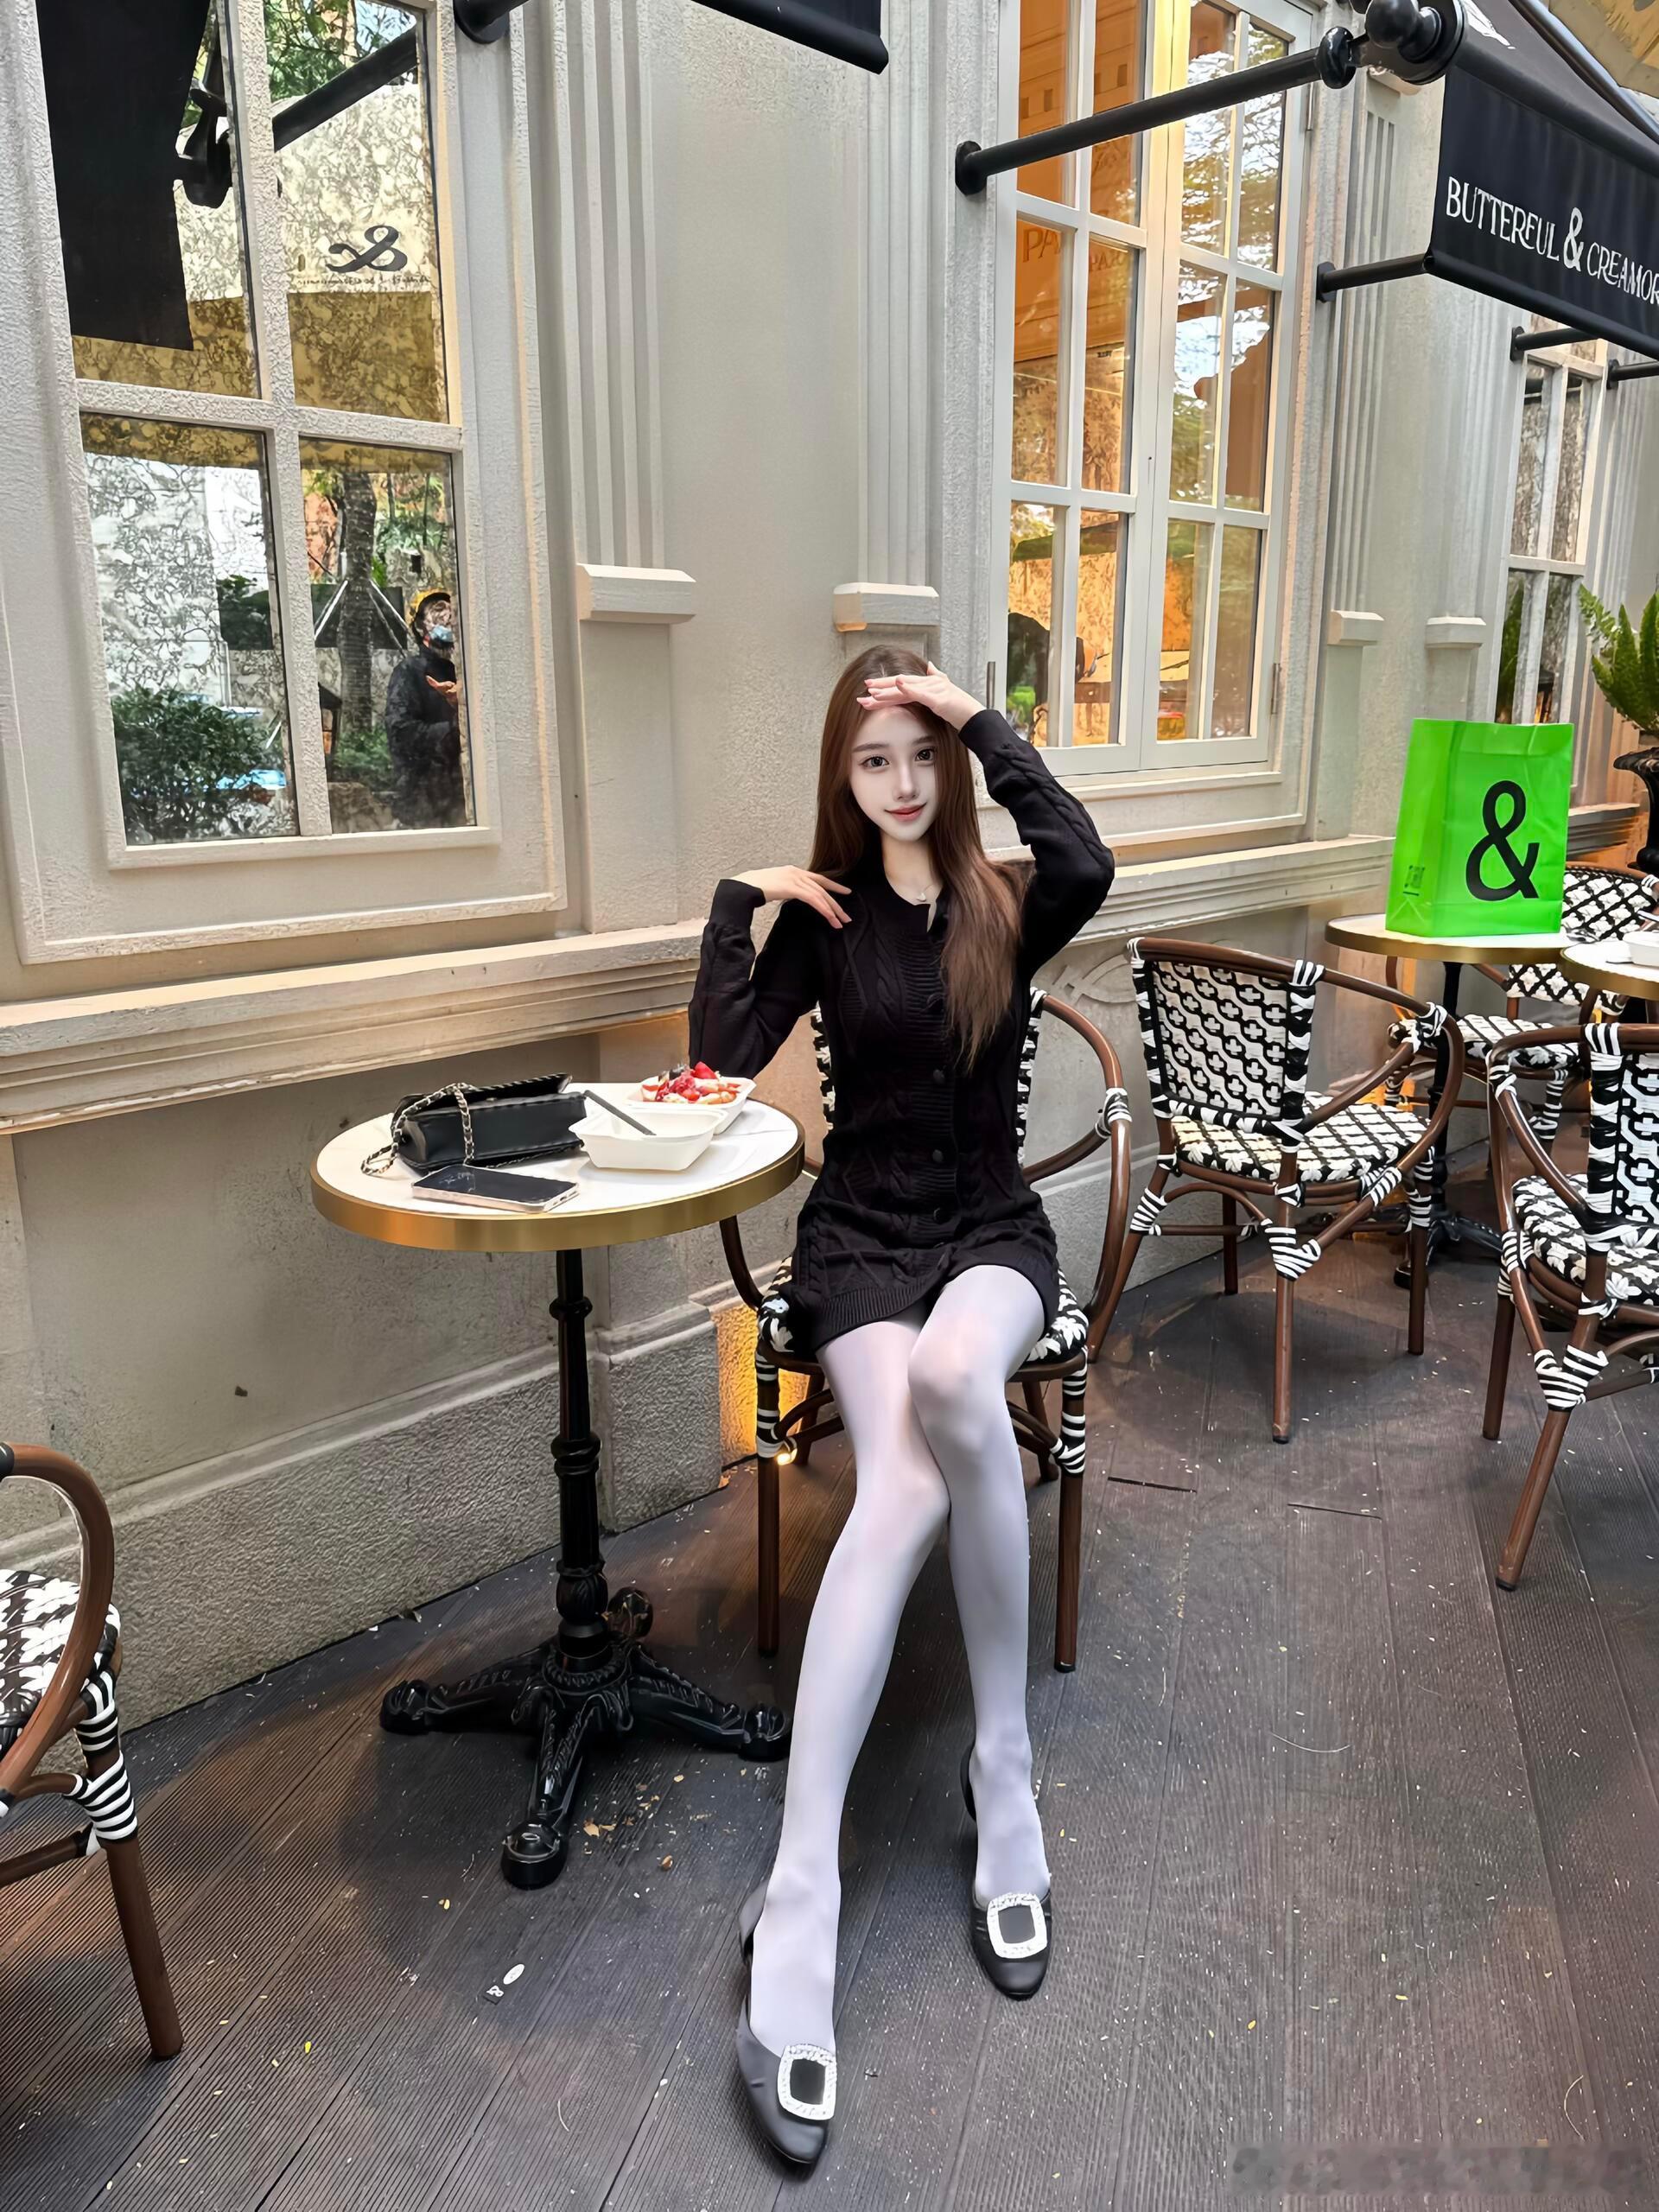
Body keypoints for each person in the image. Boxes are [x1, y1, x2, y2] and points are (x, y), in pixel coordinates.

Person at [688, 645, 1114, 2166]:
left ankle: (1002, 1768)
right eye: (875, 759)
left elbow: (1087, 855)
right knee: (908, 1480)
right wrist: (741, 905)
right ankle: (807, 1882)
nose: (905, 782)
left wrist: (982, 719)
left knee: (955, 1379)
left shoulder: (1010, 896)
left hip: (991, 1234)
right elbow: (718, 1059)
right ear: (844, 776)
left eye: (922, 752)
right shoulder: (828, 919)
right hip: (862, 1244)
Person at [384, 588, 465, 828]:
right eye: (438, 610)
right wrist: (455, 729)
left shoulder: (465, 671)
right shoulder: (409, 672)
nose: (446, 617)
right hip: (424, 807)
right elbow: (401, 733)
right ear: (420, 627)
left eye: (451, 611)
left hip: (463, 802)